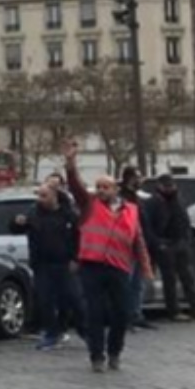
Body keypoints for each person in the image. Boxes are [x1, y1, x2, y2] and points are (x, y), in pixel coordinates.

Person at [64, 140, 152, 373]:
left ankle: (115, 351)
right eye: (99, 187)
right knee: (95, 312)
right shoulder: (89, 205)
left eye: (106, 187)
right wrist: (71, 162)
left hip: (119, 267)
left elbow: (138, 240)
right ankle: (97, 355)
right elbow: (75, 186)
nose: (101, 190)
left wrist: (145, 266)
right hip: (92, 266)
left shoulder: (130, 210)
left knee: (122, 312)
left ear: (115, 190)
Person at [12, 184, 81, 350]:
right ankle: (51, 333)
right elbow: (16, 228)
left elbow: (78, 237)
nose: (40, 200)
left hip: (64, 263)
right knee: (45, 300)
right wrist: (17, 222)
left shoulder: (69, 214)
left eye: (44, 196)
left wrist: (75, 258)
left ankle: (84, 330)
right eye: (39, 196)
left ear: (54, 196)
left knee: (73, 298)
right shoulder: (34, 213)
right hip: (42, 263)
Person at [147, 176, 195, 322]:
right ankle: (173, 310)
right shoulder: (153, 203)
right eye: (166, 186)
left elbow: (184, 221)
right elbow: (148, 227)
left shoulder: (178, 200)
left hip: (180, 243)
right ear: (159, 186)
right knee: (169, 279)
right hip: (165, 244)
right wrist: (159, 243)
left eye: (171, 185)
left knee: (188, 277)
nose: (170, 188)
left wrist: (187, 239)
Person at [120, 168, 159, 330]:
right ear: (129, 178)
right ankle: (125, 317)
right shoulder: (122, 198)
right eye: (137, 177)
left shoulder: (138, 198)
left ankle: (136, 314)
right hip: (126, 247)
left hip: (140, 246)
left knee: (138, 284)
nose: (140, 180)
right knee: (126, 284)